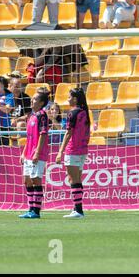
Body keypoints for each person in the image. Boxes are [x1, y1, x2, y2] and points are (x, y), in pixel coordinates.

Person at [56, 88, 90, 218]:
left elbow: (68, 133)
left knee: (73, 179)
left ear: (75, 99)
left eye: (69, 97)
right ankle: (77, 208)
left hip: (73, 150)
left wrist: (60, 152)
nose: (67, 99)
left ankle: (78, 211)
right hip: (82, 150)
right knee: (77, 179)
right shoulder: (84, 112)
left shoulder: (73, 113)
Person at [18, 89, 49, 219]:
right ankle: (30, 208)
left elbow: (43, 135)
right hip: (29, 153)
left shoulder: (42, 115)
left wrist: (37, 152)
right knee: (27, 180)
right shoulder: (32, 115)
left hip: (37, 153)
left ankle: (36, 211)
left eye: (35, 99)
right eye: (32, 98)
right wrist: (23, 153)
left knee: (35, 180)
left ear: (41, 103)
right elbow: (30, 137)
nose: (32, 100)